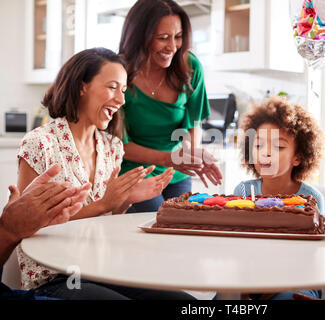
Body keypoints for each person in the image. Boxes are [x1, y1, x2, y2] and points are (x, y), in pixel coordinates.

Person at [15, 47, 193, 300]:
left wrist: (125, 199)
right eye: (112, 87)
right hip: (56, 275)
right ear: (81, 86)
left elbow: (106, 220)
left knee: (182, 301)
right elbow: (25, 226)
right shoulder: (39, 144)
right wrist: (104, 204)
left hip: (103, 268)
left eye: (123, 90)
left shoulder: (112, 147)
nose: (121, 100)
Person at [118, 0, 223, 213]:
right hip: (134, 174)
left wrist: (191, 154)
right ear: (140, 36)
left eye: (178, 37)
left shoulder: (190, 66)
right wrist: (171, 159)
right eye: (163, 38)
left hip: (177, 173)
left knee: (183, 228)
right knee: (153, 228)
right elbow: (118, 145)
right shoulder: (118, 72)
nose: (172, 47)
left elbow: (193, 123)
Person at [233, 96, 325, 300]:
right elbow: (238, 247)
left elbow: (310, 258)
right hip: (249, 279)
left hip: (298, 280)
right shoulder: (242, 191)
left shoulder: (311, 197)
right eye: (258, 146)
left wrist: (270, 291)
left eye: (278, 147)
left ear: (298, 157)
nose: (265, 154)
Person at [1, 164, 89, 299]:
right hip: (54, 279)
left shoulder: (108, 149)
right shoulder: (39, 145)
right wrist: (8, 231)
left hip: (86, 266)